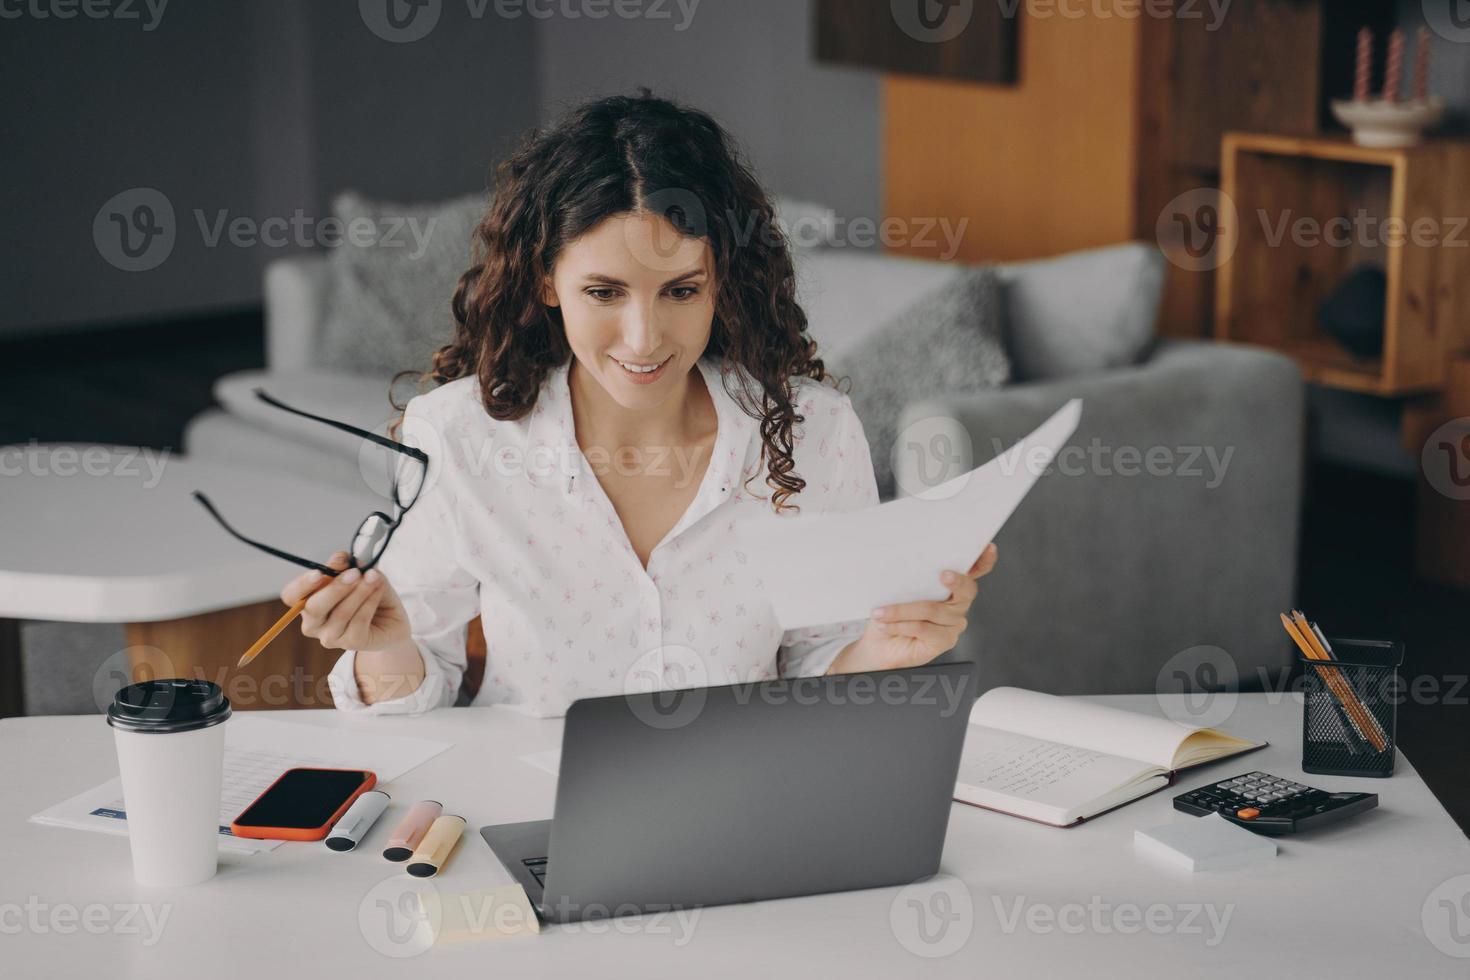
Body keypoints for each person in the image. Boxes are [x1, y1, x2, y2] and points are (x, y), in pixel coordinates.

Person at [281, 91, 998, 716]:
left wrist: (881, 649)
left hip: (745, 810)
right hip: (530, 810)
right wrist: (387, 647)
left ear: (724, 284)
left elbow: (818, 668)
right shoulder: (459, 434)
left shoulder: (812, 432)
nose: (644, 337)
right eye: (604, 292)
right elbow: (418, 695)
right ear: (545, 282)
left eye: (682, 290)